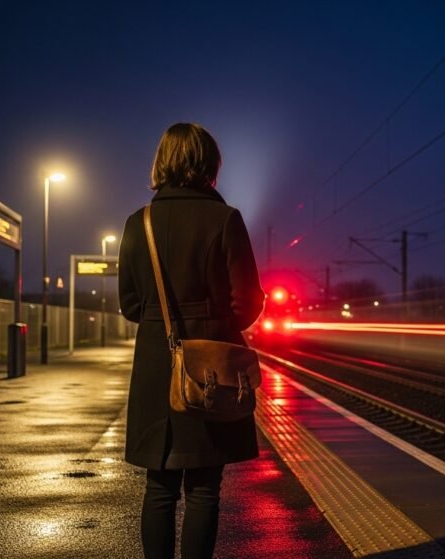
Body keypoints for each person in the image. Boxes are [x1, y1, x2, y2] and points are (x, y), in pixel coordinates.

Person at [118, 122, 266, 559]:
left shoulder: (137, 223)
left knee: (159, 486)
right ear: (210, 165)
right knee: (204, 488)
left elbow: (128, 303)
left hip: (154, 365)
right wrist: (215, 323)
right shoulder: (226, 219)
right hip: (212, 367)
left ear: (161, 162)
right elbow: (248, 302)